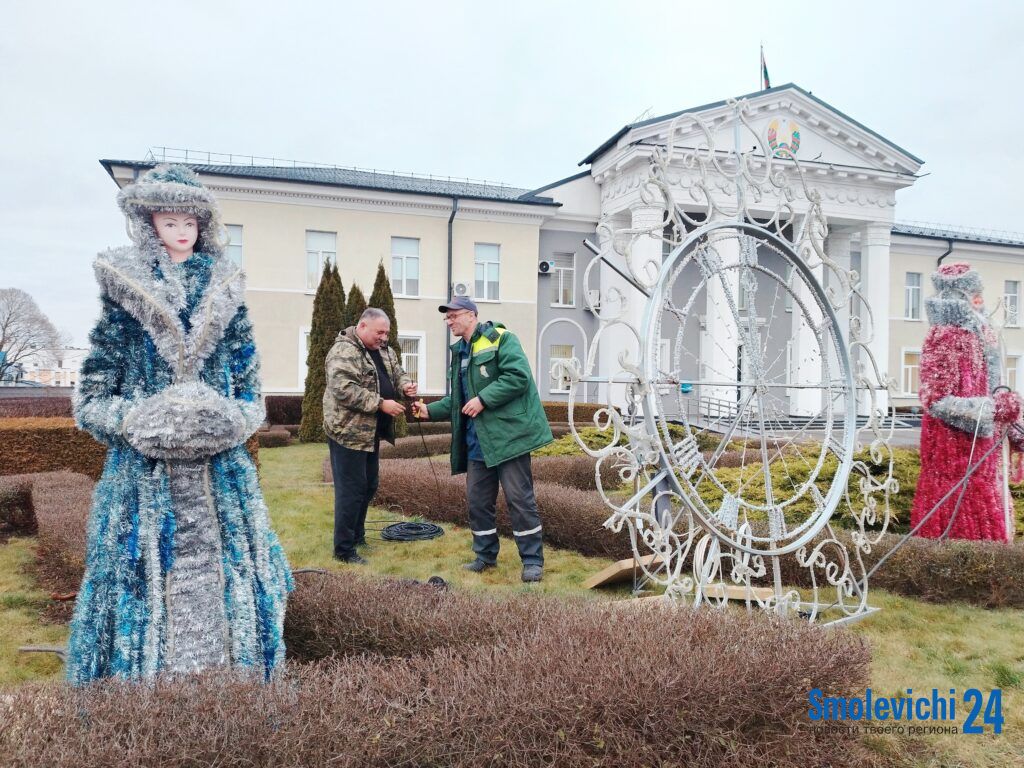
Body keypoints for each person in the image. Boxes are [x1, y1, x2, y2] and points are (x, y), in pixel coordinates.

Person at [69, 164, 292, 684]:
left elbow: (248, 386)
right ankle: (143, 709)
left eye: (190, 220)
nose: (182, 231)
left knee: (236, 586)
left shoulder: (226, 291)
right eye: (171, 221)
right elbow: (93, 398)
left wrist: (229, 420)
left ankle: (237, 695)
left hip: (221, 480)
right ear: (150, 223)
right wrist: (138, 420)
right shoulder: (123, 295)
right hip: (143, 487)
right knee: (141, 587)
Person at [412, 297, 552, 582]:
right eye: (446, 318)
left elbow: (518, 377)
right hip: (478, 444)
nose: (448, 322)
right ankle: (485, 556)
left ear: (471, 315)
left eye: (453, 316)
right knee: (477, 502)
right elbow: (460, 400)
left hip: (509, 440)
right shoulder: (460, 352)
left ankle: (532, 561)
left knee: (519, 500)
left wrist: (484, 399)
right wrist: (428, 410)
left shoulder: (502, 338)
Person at [911, 262, 1024, 541]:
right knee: (962, 530)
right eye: (973, 292)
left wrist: (1014, 426)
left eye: (980, 292)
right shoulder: (943, 338)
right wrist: (993, 410)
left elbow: (996, 389)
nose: (980, 299)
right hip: (954, 459)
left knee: (989, 526)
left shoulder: (985, 337)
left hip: (983, 459)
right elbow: (935, 400)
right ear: (956, 295)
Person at [324, 307, 416, 563]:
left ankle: (357, 536)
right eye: (379, 332)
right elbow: (343, 389)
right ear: (363, 326)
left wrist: (405, 385)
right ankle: (343, 550)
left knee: (368, 485)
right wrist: (380, 404)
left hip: (369, 433)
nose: (384, 337)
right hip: (347, 433)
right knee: (350, 491)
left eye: (386, 332)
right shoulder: (344, 351)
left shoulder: (384, 350)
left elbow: (396, 372)